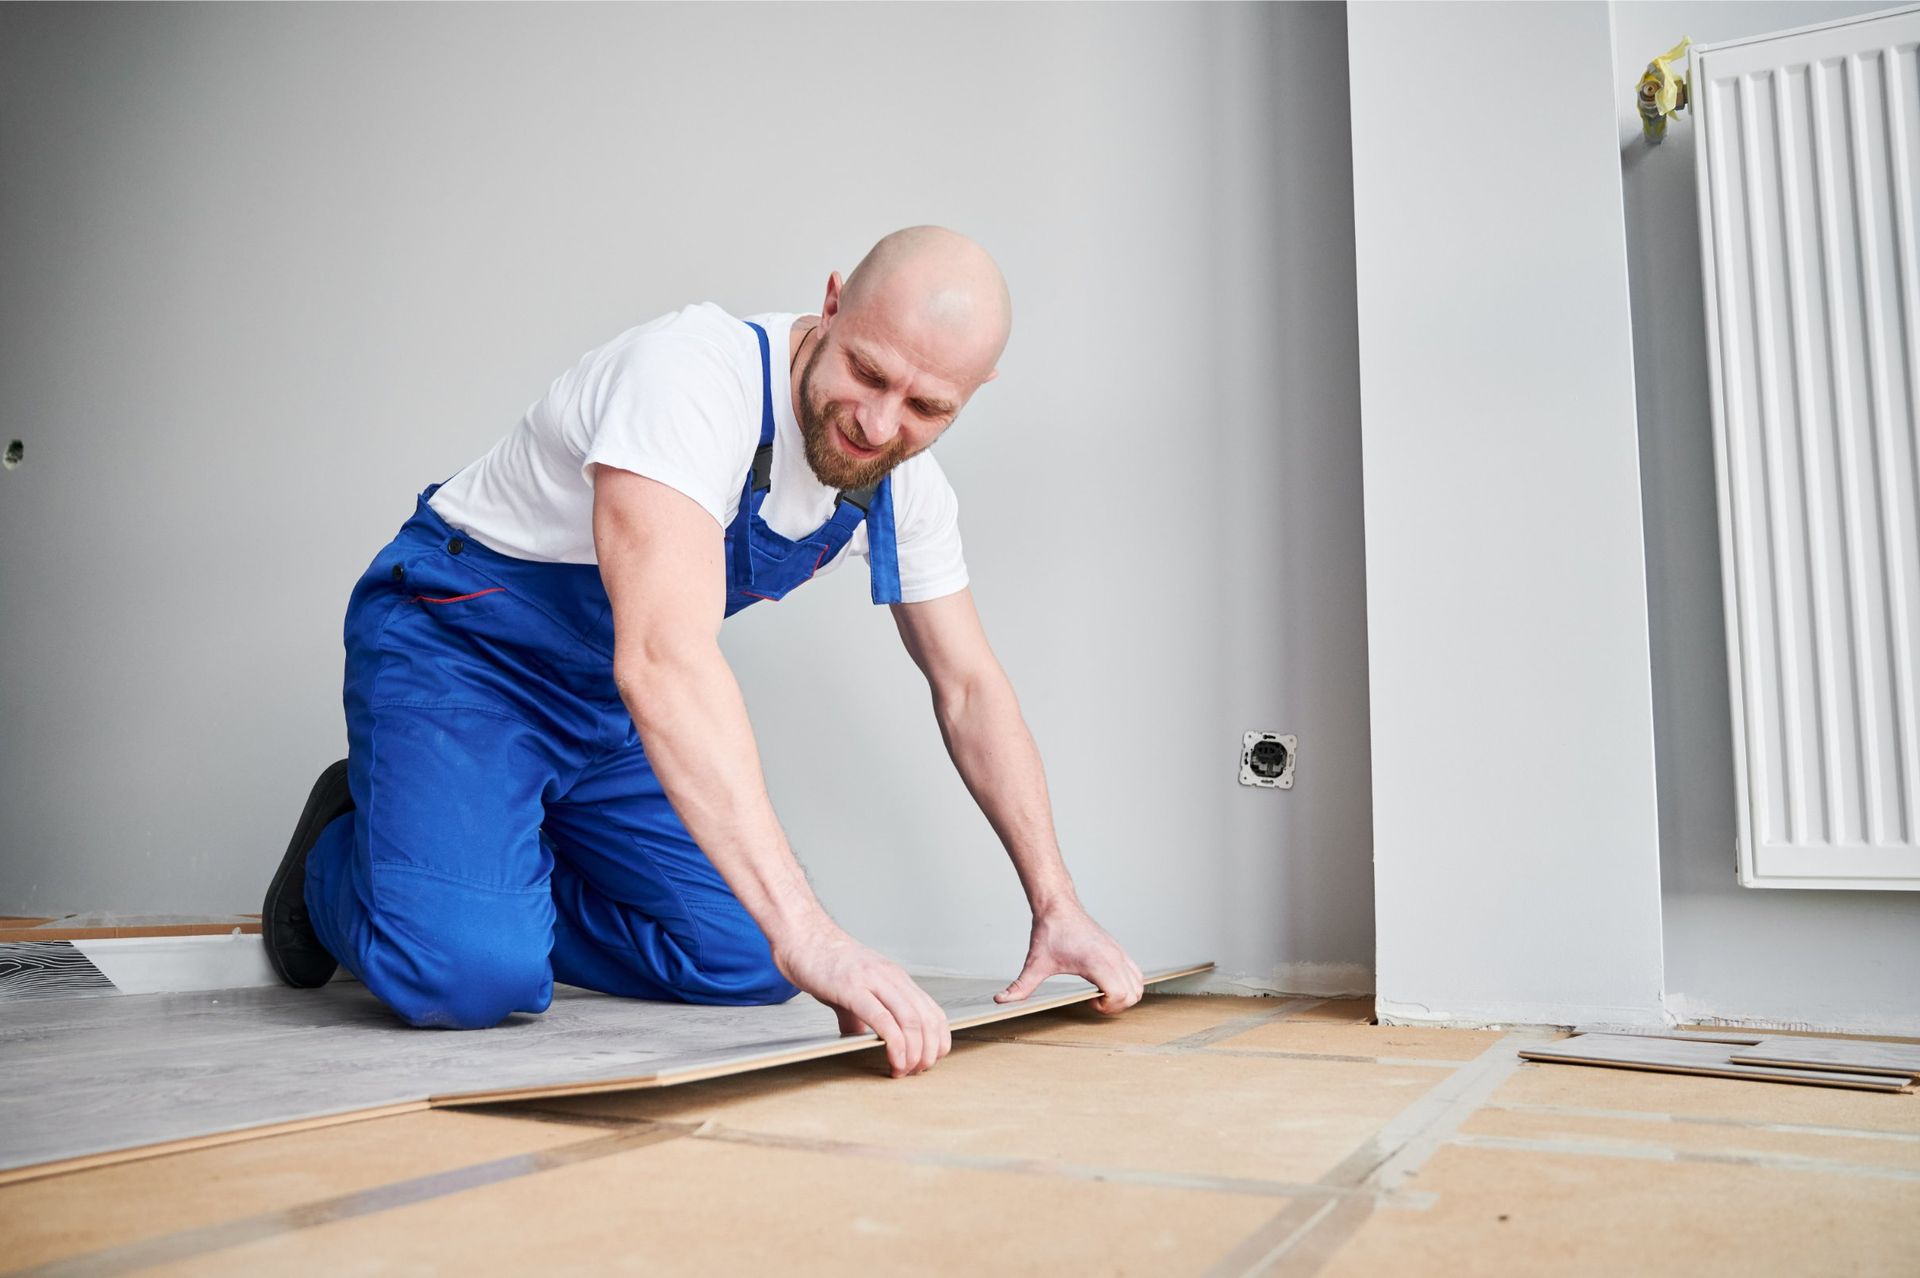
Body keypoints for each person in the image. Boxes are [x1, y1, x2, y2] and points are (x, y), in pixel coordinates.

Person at [263, 226, 1144, 1078]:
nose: (879, 426)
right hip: (464, 645)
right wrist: (812, 929)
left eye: (926, 407)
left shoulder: (903, 487)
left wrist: (1055, 903)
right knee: (467, 976)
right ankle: (338, 861)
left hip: (606, 698)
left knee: (745, 960)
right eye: (867, 373)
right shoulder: (687, 379)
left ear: (973, 392)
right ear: (831, 305)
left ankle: (484, 860)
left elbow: (969, 689)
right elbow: (665, 659)